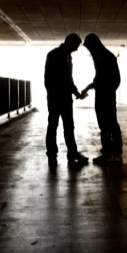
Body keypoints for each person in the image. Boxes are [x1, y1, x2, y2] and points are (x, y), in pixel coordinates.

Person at [44, 33, 89, 165]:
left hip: (63, 98)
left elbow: (68, 79)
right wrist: (52, 96)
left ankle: (60, 154)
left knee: (62, 126)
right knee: (59, 126)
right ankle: (61, 153)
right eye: (76, 45)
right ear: (69, 42)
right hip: (57, 98)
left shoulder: (66, 56)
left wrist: (76, 93)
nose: (77, 49)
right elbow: (48, 79)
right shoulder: (54, 55)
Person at [80, 34, 123, 165]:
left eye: (89, 48)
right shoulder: (103, 56)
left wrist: (102, 90)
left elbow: (108, 80)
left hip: (105, 97)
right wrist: (91, 87)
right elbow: (101, 79)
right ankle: (111, 152)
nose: (89, 51)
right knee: (108, 125)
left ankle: (112, 154)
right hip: (105, 95)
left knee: (108, 125)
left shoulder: (104, 57)